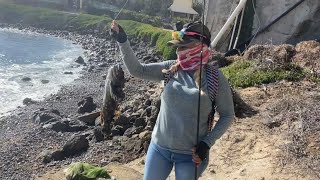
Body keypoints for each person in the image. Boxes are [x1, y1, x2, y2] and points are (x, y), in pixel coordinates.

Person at [110, 20, 235, 180]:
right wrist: (123, 40)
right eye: (177, 46)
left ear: (200, 46)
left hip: (191, 156)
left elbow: (227, 115)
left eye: (183, 46)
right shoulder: (170, 69)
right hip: (159, 149)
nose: (178, 50)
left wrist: (207, 144)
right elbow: (137, 70)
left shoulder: (215, 79)